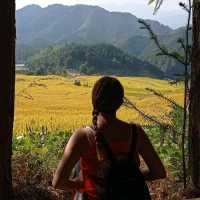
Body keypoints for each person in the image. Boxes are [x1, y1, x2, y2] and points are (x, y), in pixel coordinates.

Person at [52, 76, 166, 200]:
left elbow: (58, 182)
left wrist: (82, 184)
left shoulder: (83, 136)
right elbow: (159, 172)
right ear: (121, 103)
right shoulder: (136, 133)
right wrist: (128, 178)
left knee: (79, 167)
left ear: (94, 101)